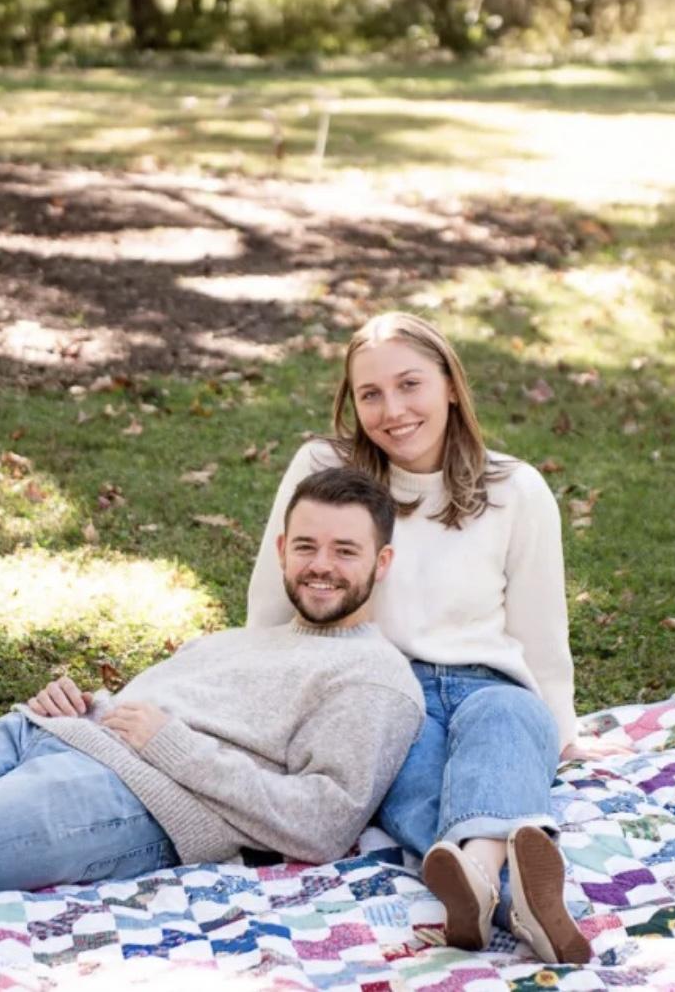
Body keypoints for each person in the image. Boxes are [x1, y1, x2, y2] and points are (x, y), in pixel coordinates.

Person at [0, 468, 423, 939]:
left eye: (344, 551)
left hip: (128, 802)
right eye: (306, 546)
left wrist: (171, 745)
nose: (320, 565)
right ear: (282, 549)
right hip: (52, 734)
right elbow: (147, 709)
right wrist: (85, 702)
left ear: (381, 562)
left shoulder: (374, 679)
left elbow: (325, 822)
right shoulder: (245, 637)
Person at [248, 311, 629, 964]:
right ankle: (523, 902)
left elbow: (541, 627)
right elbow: (272, 596)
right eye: (370, 394)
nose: (391, 410)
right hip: (383, 688)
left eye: (410, 384)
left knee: (508, 723)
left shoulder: (516, 490)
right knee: (418, 779)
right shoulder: (324, 469)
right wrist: (262, 714)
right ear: (352, 402)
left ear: (451, 383)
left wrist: (562, 730)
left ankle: (476, 877)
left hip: (493, 685)